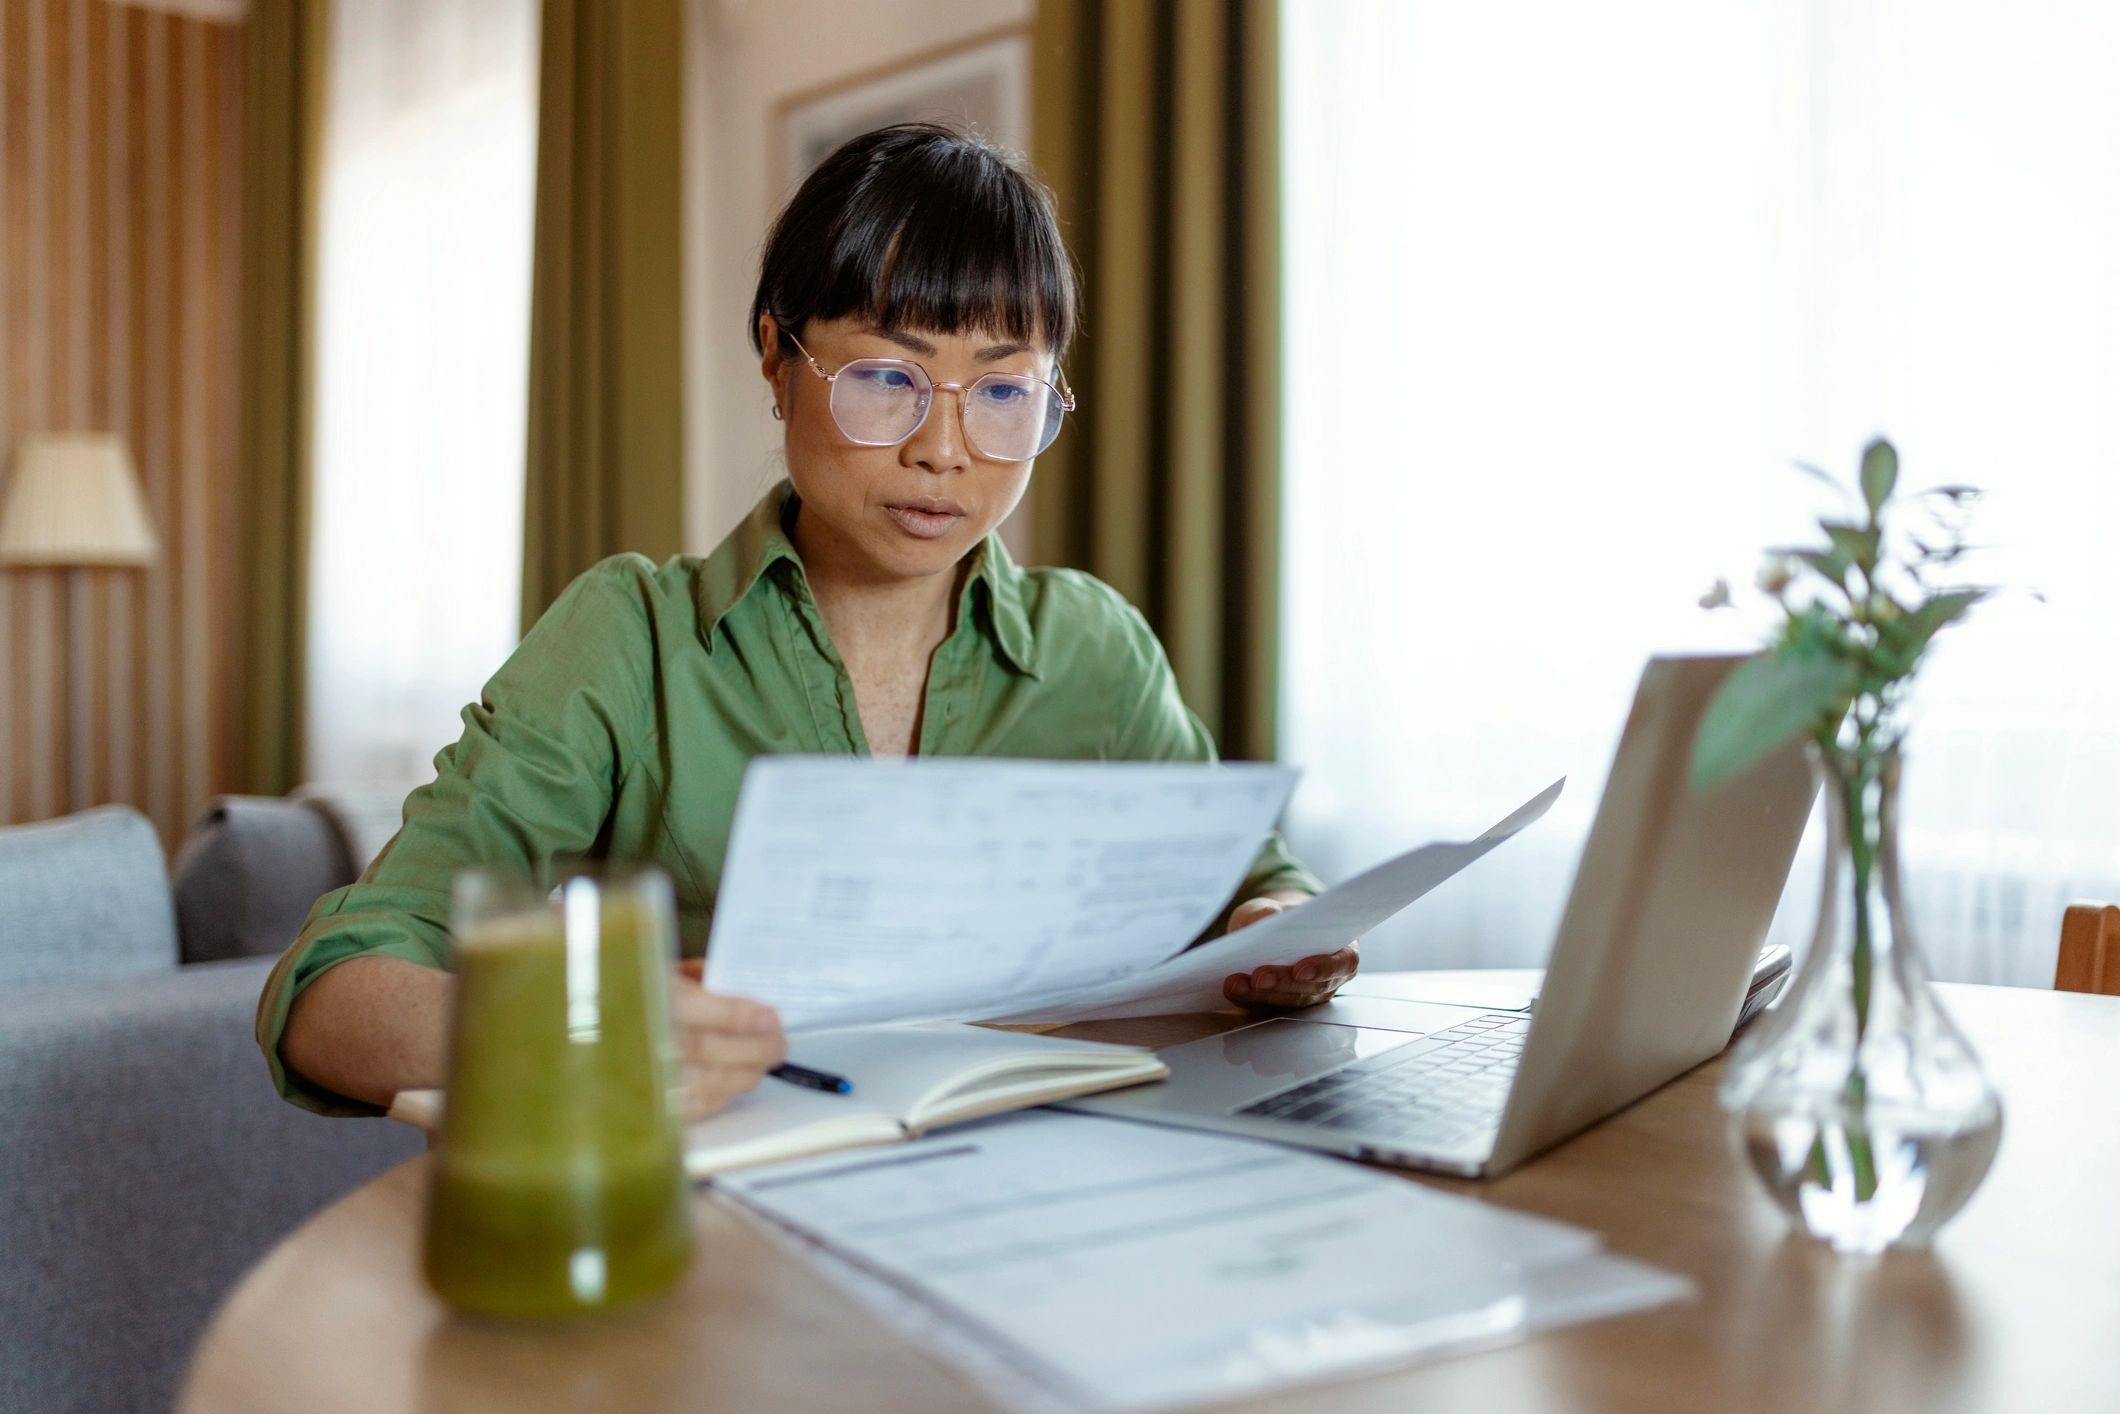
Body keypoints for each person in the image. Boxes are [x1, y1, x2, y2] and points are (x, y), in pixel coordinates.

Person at [259, 123, 1359, 1121]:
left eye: (1003, 392)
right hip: (730, 1224)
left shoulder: (1095, 651)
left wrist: (1276, 931)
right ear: (778, 361)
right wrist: (580, 1031)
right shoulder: (633, 635)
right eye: (887, 376)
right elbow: (330, 991)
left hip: (1046, 1205)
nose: (944, 448)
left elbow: (1257, 884)